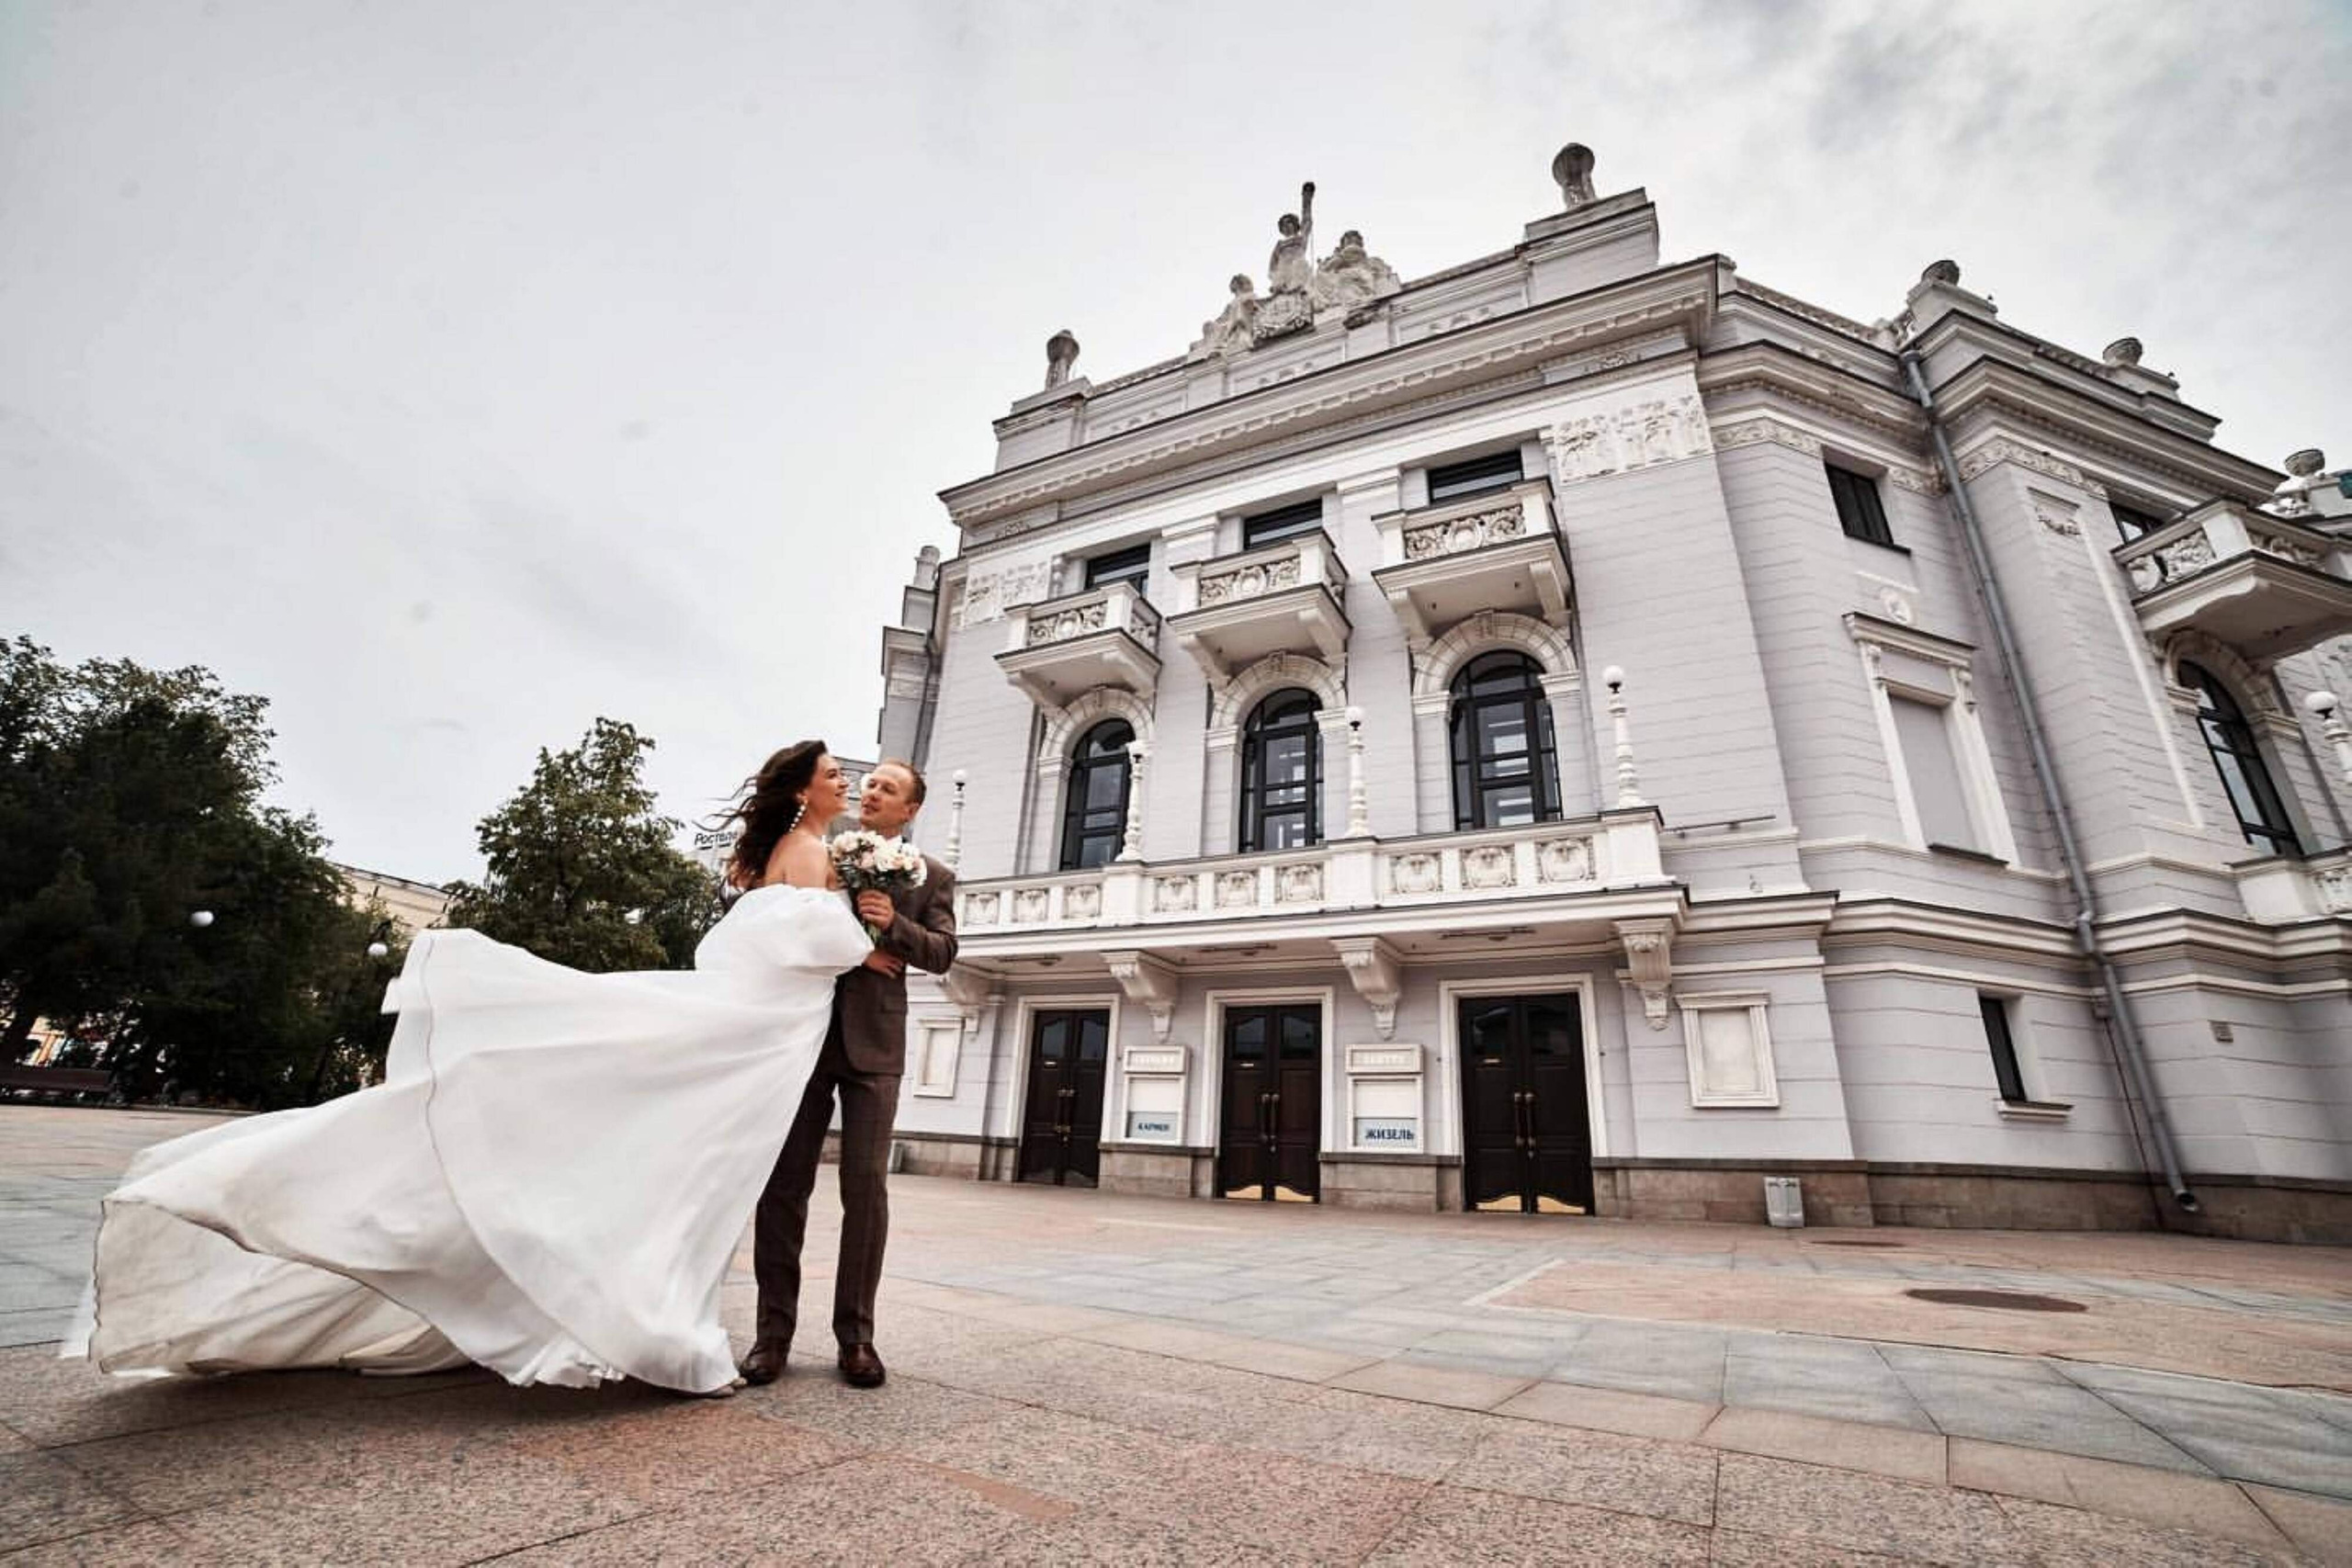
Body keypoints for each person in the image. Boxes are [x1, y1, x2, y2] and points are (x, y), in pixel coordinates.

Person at [63, 740, 877, 1396]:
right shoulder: (808, 854)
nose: (847, 780)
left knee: (685, 1164)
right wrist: (865, 925)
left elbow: (741, 939)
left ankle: (634, 1303)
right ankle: (636, 1313)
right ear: (804, 791)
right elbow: (821, 946)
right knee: (690, 1167)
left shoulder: (784, 850)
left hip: (766, 1034)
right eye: (835, 773)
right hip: (760, 1034)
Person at [740, 758, 956, 1391]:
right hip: (805, 1036)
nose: (871, 791)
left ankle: (856, 1338)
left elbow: (944, 952)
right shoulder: (819, 853)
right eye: (869, 783)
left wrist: (896, 926)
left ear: (910, 809)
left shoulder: (931, 875)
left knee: (865, 1193)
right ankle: (770, 1335)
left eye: (888, 788)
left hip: (876, 1048)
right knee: (784, 1189)